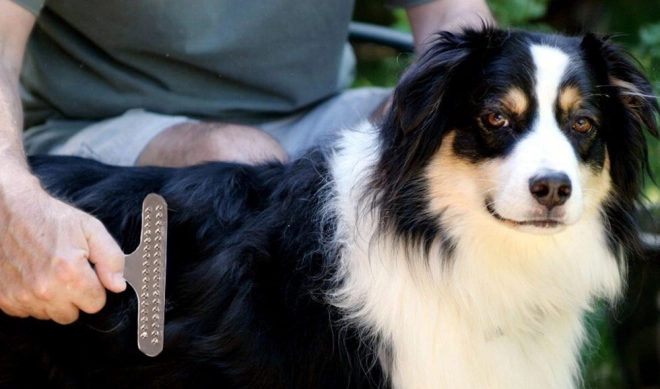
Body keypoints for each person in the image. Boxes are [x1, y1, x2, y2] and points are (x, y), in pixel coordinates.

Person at [0, 0, 493, 324]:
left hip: (313, 114)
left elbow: (453, 14)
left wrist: (416, 120)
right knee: (240, 164)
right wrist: (13, 197)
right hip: (99, 123)